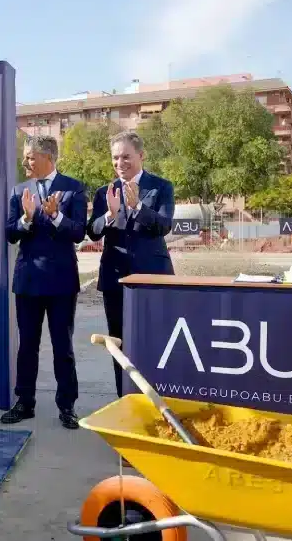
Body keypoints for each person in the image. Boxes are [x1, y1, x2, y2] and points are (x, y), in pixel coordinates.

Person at [0, 135, 88, 430]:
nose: (25, 162)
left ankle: (67, 406)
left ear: (48, 158)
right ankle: (24, 402)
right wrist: (26, 219)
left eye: (29, 157)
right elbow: (10, 233)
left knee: (63, 346)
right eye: (25, 156)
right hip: (28, 281)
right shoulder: (19, 190)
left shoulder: (73, 188)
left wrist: (56, 215)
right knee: (27, 345)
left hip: (61, 282)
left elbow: (78, 233)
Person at [87, 131, 175, 398]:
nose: (120, 163)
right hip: (115, 281)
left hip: (153, 279)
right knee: (119, 343)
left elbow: (163, 226)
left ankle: (157, 400)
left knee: (155, 342)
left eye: (126, 156)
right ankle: (124, 399)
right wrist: (109, 215)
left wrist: (137, 206)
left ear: (141, 155)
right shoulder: (105, 192)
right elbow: (92, 232)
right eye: (115, 158)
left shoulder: (161, 187)